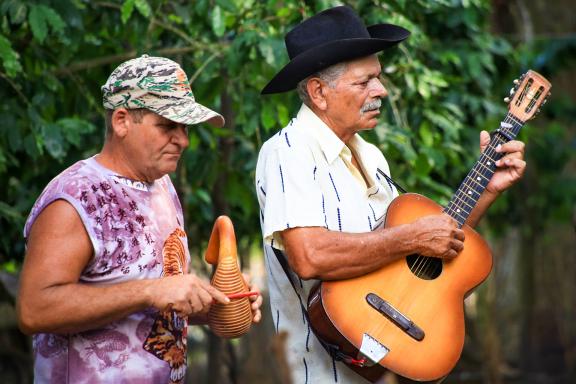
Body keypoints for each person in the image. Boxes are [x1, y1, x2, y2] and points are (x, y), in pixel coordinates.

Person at [255, 6, 526, 384]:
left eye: (378, 79)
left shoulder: (370, 154)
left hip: (382, 368)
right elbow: (309, 255)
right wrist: (412, 236)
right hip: (319, 374)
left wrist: (484, 190)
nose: (380, 91)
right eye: (364, 82)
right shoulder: (288, 151)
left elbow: (416, 256)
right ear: (318, 92)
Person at [17, 54, 262, 383]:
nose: (184, 140)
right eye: (167, 126)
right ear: (121, 121)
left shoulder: (160, 184)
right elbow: (35, 309)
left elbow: (156, 301)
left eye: (185, 128)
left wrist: (215, 304)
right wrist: (151, 291)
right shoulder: (75, 198)